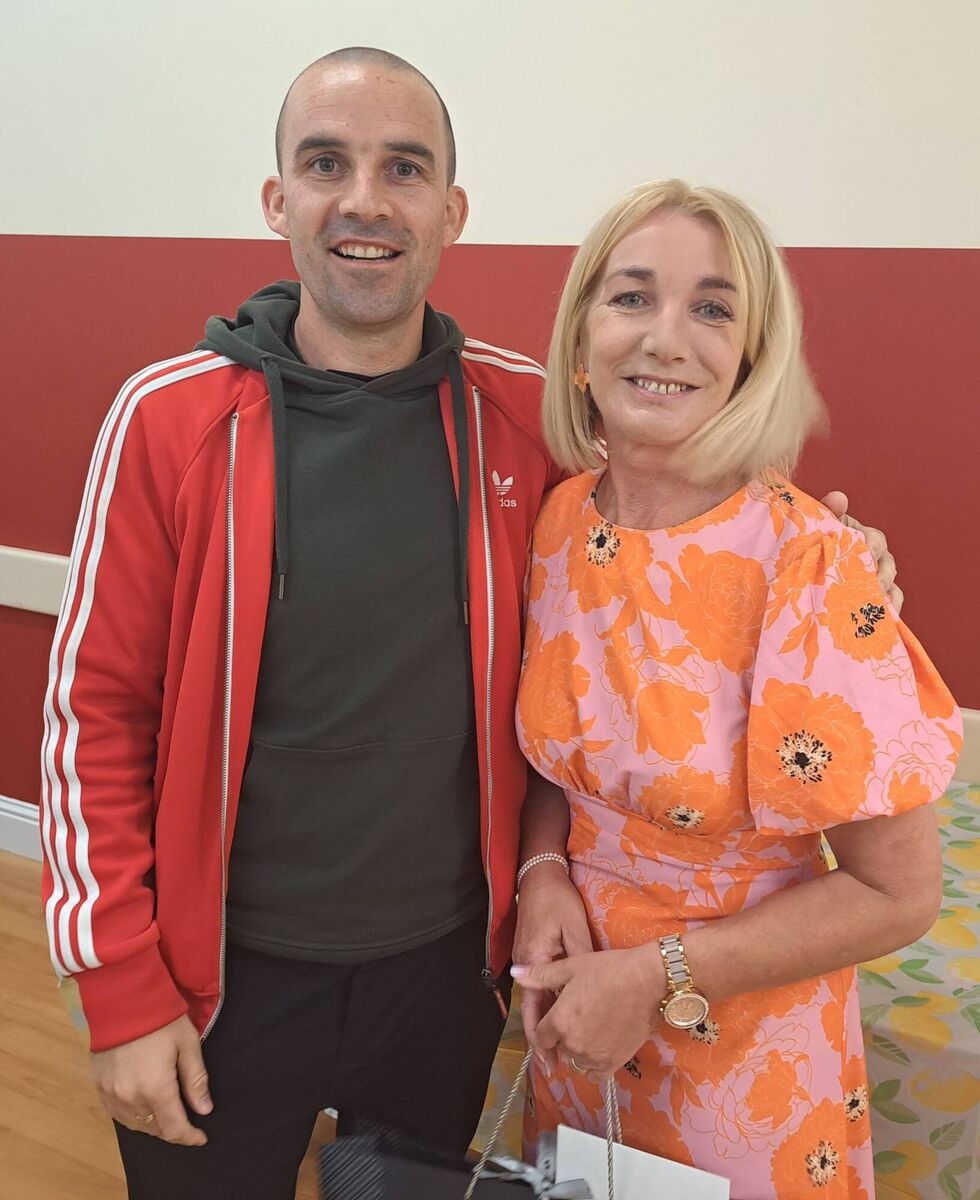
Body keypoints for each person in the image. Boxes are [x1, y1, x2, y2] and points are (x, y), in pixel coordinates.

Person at [38, 49, 897, 1199]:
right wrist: (119, 990)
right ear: (275, 199)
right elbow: (95, 718)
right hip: (224, 979)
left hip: (443, 982)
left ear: (450, 210)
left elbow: (680, 498)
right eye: (325, 164)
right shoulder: (169, 420)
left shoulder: (516, 419)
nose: (363, 200)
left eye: (402, 168)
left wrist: (839, 549)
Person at [511, 180, 960, 1200]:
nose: (666, 338)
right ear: (580, 339)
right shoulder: (555, 526)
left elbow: (898, 894)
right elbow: (559, 765)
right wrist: (543, 871)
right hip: (575, 1025)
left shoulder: (810, 565)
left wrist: (654, 976)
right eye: (631, 297)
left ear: (749, 360)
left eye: (712, 308)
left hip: (744, 1063)